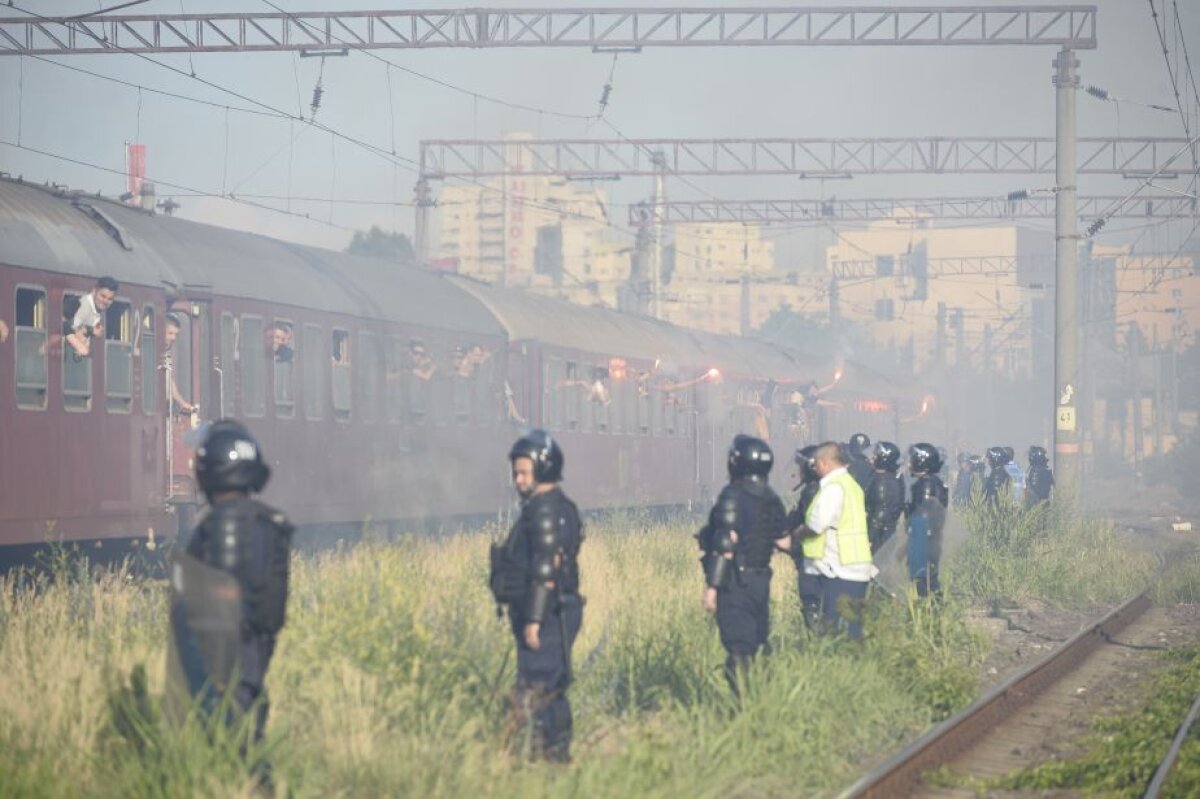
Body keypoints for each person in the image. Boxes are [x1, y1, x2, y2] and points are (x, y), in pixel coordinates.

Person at [169, 420, 293, 748]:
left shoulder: (226, 525)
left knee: (231, 735)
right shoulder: (268, 523)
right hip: (256, 650)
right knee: (249, 729)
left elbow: (218, 602)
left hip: (222, 658)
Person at [488, 430, 583, 762]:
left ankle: (545, 757)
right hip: (552, 610)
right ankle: (553, 756)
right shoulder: (554, 507)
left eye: (524, 473)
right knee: (550, 688)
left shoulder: (544, 511)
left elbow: (546, 569)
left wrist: (534, 620)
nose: (518, 480)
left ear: (543, 469)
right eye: (515, 473)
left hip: (546, 614)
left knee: (537, 687)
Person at [697, 435, 790, 690]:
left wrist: (712, 588)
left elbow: (725, 543)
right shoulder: (772, 498)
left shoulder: (732, 495)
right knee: (757, 638)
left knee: (738, 646)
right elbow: (784, 542)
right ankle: (764, 691)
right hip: (761, 579)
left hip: (735, 580)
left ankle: (742, 701)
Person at [793, 442, 875, 640]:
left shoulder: (833, 488)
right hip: (854, 566)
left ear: (823, 462)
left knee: (835, 629)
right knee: (851, 628)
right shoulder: (850, 485)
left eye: (815, 464)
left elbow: (816, 526)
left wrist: (796, 535)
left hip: (837, 568)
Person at [905, 444, 949, 598]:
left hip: (923, 540)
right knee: (928, 578)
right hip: (929, 539)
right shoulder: (932, 481)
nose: (909, 463)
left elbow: (924, 514)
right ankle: (931, 608)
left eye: (912, 459)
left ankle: (929, 609)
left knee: (924, 580)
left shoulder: (927, 484)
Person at [786, 445, 822, 630]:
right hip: (817, 555)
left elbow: (808, 524)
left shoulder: (812, 491)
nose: (799, 471)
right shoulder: (818, 489)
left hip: (813, 555)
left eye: (801, 466)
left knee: (811, 601)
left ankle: (817, 638)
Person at [865, 440, 906, 551]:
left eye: (876, 454)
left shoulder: (883, 481)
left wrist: (869, 536)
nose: (872, 457)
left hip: (879, 535)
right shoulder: (889, 477)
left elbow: (881, 509)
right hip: (884, 531)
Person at [65, 276, 118, 358]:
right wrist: (91, 330)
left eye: (110, 299)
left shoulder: (96, 310)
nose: (105, 301)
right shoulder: (85, 307)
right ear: (94, 291)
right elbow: (70, 331)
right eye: (103, 296)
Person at [163, 313, 197, 416]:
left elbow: (168, 381)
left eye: (176, 334)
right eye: (170, 333)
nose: (173, 338)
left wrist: (182, 403)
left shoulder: (166, 351)